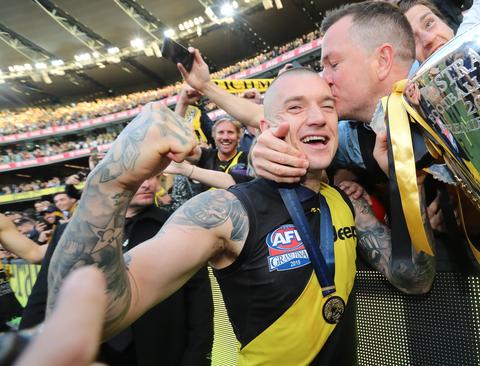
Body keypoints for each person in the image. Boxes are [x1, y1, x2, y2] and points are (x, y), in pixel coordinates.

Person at [46, 69, 436, 365]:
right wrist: (110, 181)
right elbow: (87, 319)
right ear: (266, 128)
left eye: (327, 106)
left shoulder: (346, 200)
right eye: (296, 108)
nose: (317, 118)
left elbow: (415, 279)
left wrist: (405, 178)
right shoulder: (225, 211)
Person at [22, 174, 214, 366]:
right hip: (93, 352)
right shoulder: (71, 233)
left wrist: (195, 359)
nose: (148, 184)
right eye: (140, 177)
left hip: (162, 352)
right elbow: (42, 296)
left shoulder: (175, 229)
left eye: (155, 177)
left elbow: (200, 302)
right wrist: (25, 352)